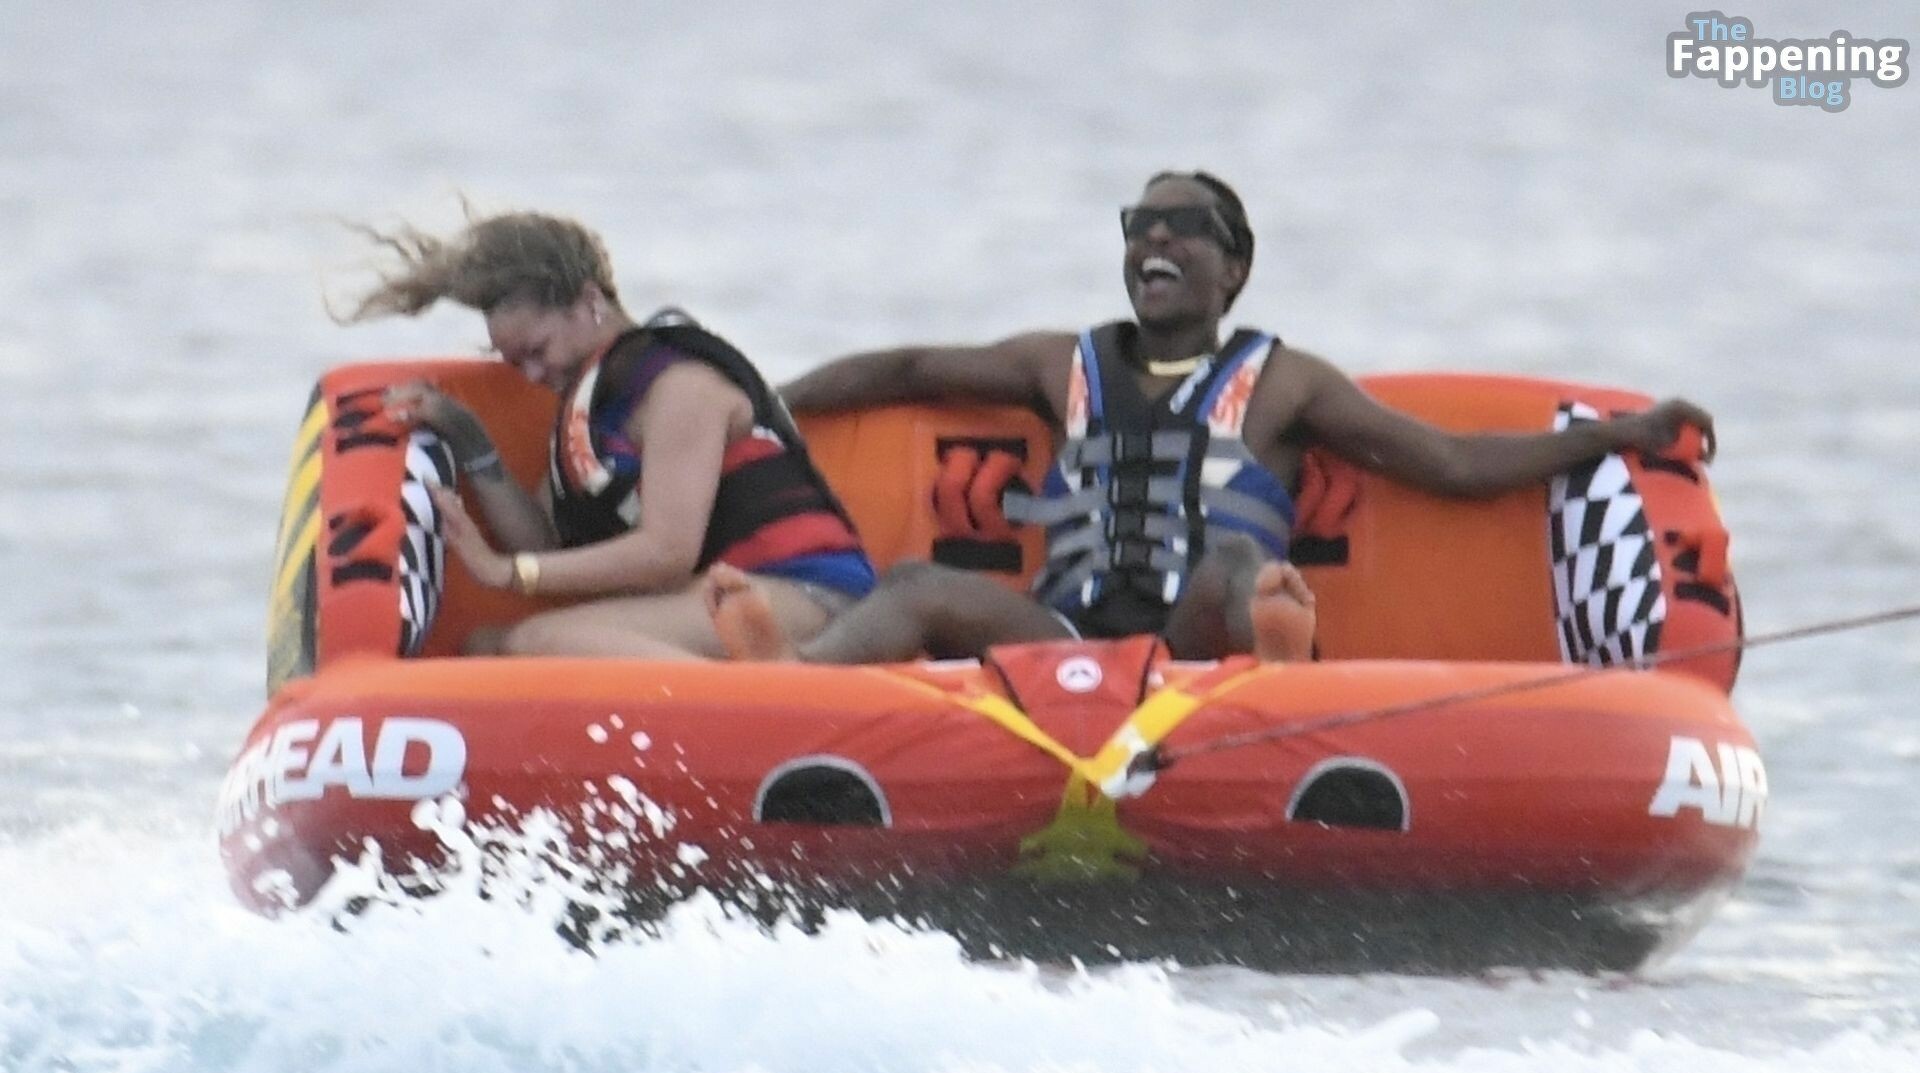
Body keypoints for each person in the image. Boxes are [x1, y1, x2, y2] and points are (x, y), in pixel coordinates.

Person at [705, 170, 1714, 664]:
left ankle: (1280, 674)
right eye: (1139, 226)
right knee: (920, 585)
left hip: (1195, 641)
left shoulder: (1286, 383)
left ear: (1233, 267)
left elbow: (1450, 462)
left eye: (1184, 226)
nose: (1155, 238)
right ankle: (792, 681)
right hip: (1067, 638)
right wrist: (762, 407)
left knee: (1239, 566)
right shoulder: (1058, 362)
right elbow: (905, 366)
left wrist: (1612, 436)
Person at [339, 208, 875, 658]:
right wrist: (467, 437)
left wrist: (506, 573)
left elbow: (667, 552)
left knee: (537, 642)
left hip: (812, 597)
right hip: (725, 595)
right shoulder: (593, 410)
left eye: (537, 350)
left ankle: (769, 709)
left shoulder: (679, 387)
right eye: (514, 362)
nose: (532, 375)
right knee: (486, 646)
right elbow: (545, 543)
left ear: (590, 301)